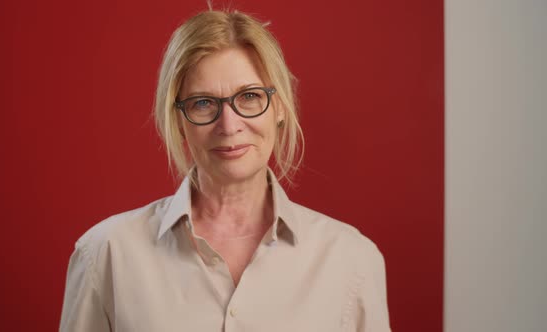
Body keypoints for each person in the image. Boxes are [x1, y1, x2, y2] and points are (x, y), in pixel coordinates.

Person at [59, 8, 391, 332]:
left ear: (279, 106)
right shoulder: (106, 255)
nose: (229, 125)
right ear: (178, 119)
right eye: (203, 103)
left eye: (249, 96)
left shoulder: (352, 260)